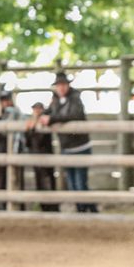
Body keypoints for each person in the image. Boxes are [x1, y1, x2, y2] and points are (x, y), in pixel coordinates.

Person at [40, 72, 97, 213]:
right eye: (59, 85)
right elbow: (47, 113)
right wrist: (43, 116)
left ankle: (86, 210)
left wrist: (52, 119)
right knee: (72, 184)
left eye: (63, 85)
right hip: (66, 147)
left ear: (68, 85)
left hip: (80, 147)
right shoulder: (55, 101)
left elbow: (74, 114)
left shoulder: (75, 98)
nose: (61, 88)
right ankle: (85, 210)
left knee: (80, 183)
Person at [0, 89, 25, 210]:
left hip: (15, 151)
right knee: (0, 181)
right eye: (3, 101)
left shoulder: (17, 114)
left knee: (16, 180)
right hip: (1, 152)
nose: (5, 103)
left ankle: (18, 208)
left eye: (7, 100)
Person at [24, 102, 59, 212]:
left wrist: (32, 128)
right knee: (39, 181)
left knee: (49, 181)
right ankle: (44, 205)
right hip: (36, 156)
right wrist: (30, 129)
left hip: (45, 155)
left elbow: (41, 140)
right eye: (35, 109)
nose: (37, 111)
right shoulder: (31, 122)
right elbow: (28, 142)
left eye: (39, 109)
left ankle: (52, 206)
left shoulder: (44, 121)